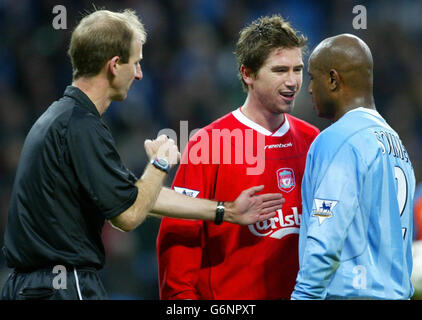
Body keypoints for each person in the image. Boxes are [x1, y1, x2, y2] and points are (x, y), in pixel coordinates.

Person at [1, 9, 284, 300]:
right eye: (135, 63)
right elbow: (129, 214)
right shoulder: (80, 125)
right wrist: (160, 162)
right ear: (114, 65)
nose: (139, 74)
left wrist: (226, 211)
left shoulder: (62, 117)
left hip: (35, 285)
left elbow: (134, 196)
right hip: (64, 285)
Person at [156, 15, 319, 300]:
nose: (293, 81)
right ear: (248, 74)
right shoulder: (208, 144)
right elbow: (178, 242)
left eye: (298, 69)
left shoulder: (313, 140)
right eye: (280, 70)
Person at [291, 34, 416, 299]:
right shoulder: (397, 145)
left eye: (313, 78)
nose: (310, 89)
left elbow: (325, 237)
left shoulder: (338, 139)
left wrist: (304, 296)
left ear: (334, 80)